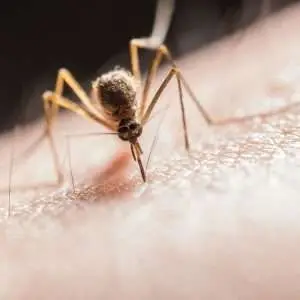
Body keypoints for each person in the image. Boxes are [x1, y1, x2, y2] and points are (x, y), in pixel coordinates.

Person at [1, 3, 300, 298]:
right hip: (110, 96)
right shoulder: (107, 116)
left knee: (168, 68)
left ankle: (212, 119)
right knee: (55, 92)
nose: (133, 139)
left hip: (124, 93)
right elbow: (52, 98)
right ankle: (55, 175)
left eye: (133, 132)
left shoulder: (137, 112)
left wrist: (189, 141)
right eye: (127, 133)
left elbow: (172, 67)